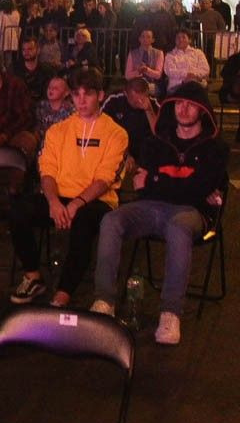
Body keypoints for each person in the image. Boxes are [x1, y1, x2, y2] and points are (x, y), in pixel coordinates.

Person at [89, 81, 228, 345]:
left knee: (178, 226)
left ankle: (170, 313)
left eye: (191, 105)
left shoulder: (215, 148)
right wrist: (181, 185)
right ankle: (104, 300)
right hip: (151, 207)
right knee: (111, 219)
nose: (183, 109)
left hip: (192, 212)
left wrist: (156, 180)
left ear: (202, 110)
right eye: (179, 104)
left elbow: (198, 189)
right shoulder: (156, 142)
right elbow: (145, 187)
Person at [8, 68, 127, 307]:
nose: (81, 100)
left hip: (97, 201)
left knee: (83, 222)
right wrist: (53, 202)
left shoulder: (116, 133)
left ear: (100, 96)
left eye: (88, 94)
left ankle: (63, 293)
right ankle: (33, 275)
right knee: (18, 210)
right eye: (76, 94)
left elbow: (104, 179)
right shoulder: (58, 130)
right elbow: (47, 170)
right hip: (59, 197)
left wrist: (76, 204)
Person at [102, 77, 159, 162]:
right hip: (119, 149)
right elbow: (102, 129)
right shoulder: (114, 101)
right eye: (135, 101)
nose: (140, 102)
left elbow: (158, 134)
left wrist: (148, 110)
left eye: (142, 99)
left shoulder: (154, 104)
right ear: (126, 93)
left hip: (146, 152)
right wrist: (124, 154)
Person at [34, 75, 74, 153]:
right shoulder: (41, 106)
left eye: (55, 88)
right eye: (49, 87)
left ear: (66, 93)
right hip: (44, 144)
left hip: (63, 145)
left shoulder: (71, 110)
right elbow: (37, 127)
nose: (51, 90)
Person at [10, 37, 56, 103]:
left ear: (38, 50)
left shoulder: (47, 71)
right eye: (23, 49)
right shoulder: (15, 69)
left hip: (41, 105)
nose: (26, 52)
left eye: (30, 49)